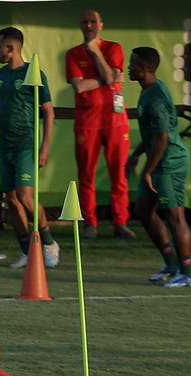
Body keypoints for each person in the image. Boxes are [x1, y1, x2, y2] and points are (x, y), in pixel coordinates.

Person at [0, 27, 60, 269]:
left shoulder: (34, 73)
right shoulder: (1, 75)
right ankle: (28, 252)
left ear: (10, 48)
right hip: (6, 146)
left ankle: (49, 243)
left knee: (25, 196)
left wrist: (44, 147)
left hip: (26, 145)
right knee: (11, 199)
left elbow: (49, 111)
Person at [126, 47, 191, 288]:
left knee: (175, 216)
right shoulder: (148, 90)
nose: (128, 68)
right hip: (158, 160)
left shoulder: (156, 98)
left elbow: (161, 140)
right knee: (143, 210)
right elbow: (151, 136)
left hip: (170, 162)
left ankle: (188, 273)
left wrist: (147, 171)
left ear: (146, 68)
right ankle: (171, 263)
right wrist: (136, 155)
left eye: (133, 64)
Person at [65, 9, 135, 240]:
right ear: (80, 25)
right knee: (86, 175)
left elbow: (110, 75)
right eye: (85, 21)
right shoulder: (73, 54)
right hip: (87, 122)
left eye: (93, 21)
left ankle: (121, 222)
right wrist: (108, 78)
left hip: (115, 122)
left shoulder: (113, 48)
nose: (89, 25)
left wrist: (95, 51)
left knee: (119, 174)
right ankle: (90, 223)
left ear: (101, 25)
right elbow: (80, 86)